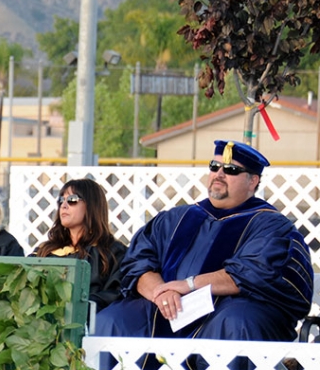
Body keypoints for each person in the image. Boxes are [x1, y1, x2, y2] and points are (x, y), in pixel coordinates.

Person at [95, 140, 314, 340]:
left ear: (252, 181)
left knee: (235, 323)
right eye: (214, 166)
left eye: (231, 170)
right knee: (113, 320)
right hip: (165, 308)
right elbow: (138, 262)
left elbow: (253, 273)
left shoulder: (270, 226)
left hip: (222, 312)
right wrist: (162, 293)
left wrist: (187, 286)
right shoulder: (176, 218)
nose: (219, 174)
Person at [32, 178, 126, 310]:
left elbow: (116, 295)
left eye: (72, 200)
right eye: (61, 200)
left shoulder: (112, 253)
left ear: (92, 206)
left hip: (92, 325)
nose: (64, 205)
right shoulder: (44, 251)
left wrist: (77, 306)